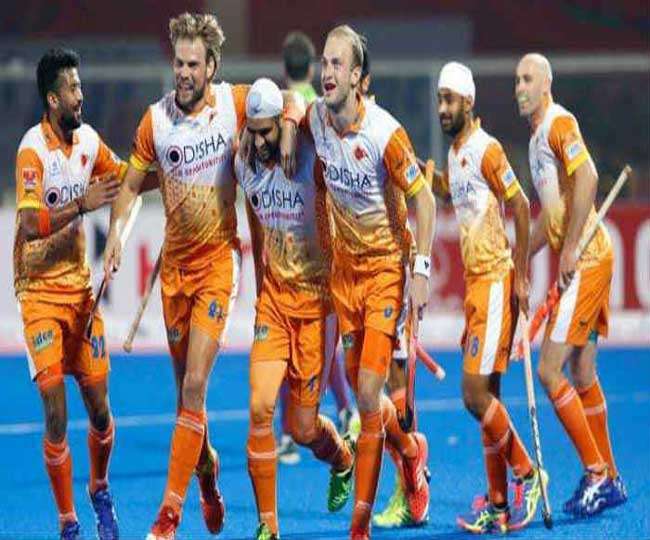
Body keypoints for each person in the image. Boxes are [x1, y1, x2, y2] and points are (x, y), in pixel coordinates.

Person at [102, 13, 302, 539]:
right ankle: (208, 476)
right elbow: (129, 186)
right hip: (174, 275)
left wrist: (287, 127)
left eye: (193, 64)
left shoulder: (234, 105)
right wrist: (117, 234)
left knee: (195, 385)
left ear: (211, 66)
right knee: (187, 401)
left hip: (218, 263)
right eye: (179, 63)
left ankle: (168, 518)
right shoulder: (155, 121)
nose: (184, 73)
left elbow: (289, 100)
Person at [303, 24, 435, 539]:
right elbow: (288, 124)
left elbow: (424, 200)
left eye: (337, 64)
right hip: (345, 278)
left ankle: (360, 526)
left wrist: (420, 269)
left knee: (365, 396)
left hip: (385, 274)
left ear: (358, 77)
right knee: (370, 397)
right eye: (324, 62)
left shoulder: (385, 133)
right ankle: (411, 451)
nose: (327, 71)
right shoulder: (315, 119)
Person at [236, 77, 356, 540]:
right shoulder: (244, 160)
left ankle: (341, 458)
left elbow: (308, 103)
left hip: (317, 306)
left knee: (304, 429)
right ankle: (268, 526)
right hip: (274, 303)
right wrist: (260, 281)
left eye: (267, 131)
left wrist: (288, 120)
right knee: (260, 407)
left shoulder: (307, 148)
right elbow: (254, 218)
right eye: (254, 132)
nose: (260, 142)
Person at [14, 47, 126, 540]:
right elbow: (28, 222)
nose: (82, 95)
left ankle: (99, 489)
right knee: (56, 413)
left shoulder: (90, 142)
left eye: (80, 86)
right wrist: (82, 204)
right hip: (39, 293)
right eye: (73, 88)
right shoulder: (32, 151)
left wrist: (171, 167)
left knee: (100, 409)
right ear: (53, 98)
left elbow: (126, 179)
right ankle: (68, 522)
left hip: (82, 294)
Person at [429, 61, 546, 534]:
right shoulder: (457, 152)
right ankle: (498, 506)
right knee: (490, 396)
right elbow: (453, 192)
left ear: (469, 101)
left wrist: (521, 276)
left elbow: (520, 204)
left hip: (496, 280)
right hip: (476, 286)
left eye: (449, 100)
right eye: (439, 99)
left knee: (474, 395)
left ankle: (528, 474)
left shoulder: (486, 148)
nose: (442, 108)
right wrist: (426, 178)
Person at [515, 52, 627, 517]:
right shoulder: (535, 142)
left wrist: (570, 248)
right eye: (517, 80)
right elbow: (552, 216)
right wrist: (521, 258)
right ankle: (611, 477)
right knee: (581, 374)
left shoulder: (559, 124)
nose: (519, 87)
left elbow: (589, 177)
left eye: (528, 79)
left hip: (589, 261)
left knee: (549, 370)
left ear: (547, 84)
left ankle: (596, 474)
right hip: (592, 258)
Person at [277, 29, 358, 466]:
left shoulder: (286, 106)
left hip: (293, 237)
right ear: (311, 67)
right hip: (318, 234)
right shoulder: (322, 102)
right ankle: (343, 409)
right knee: (320, 335)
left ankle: (290, 432)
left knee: (289, 339)